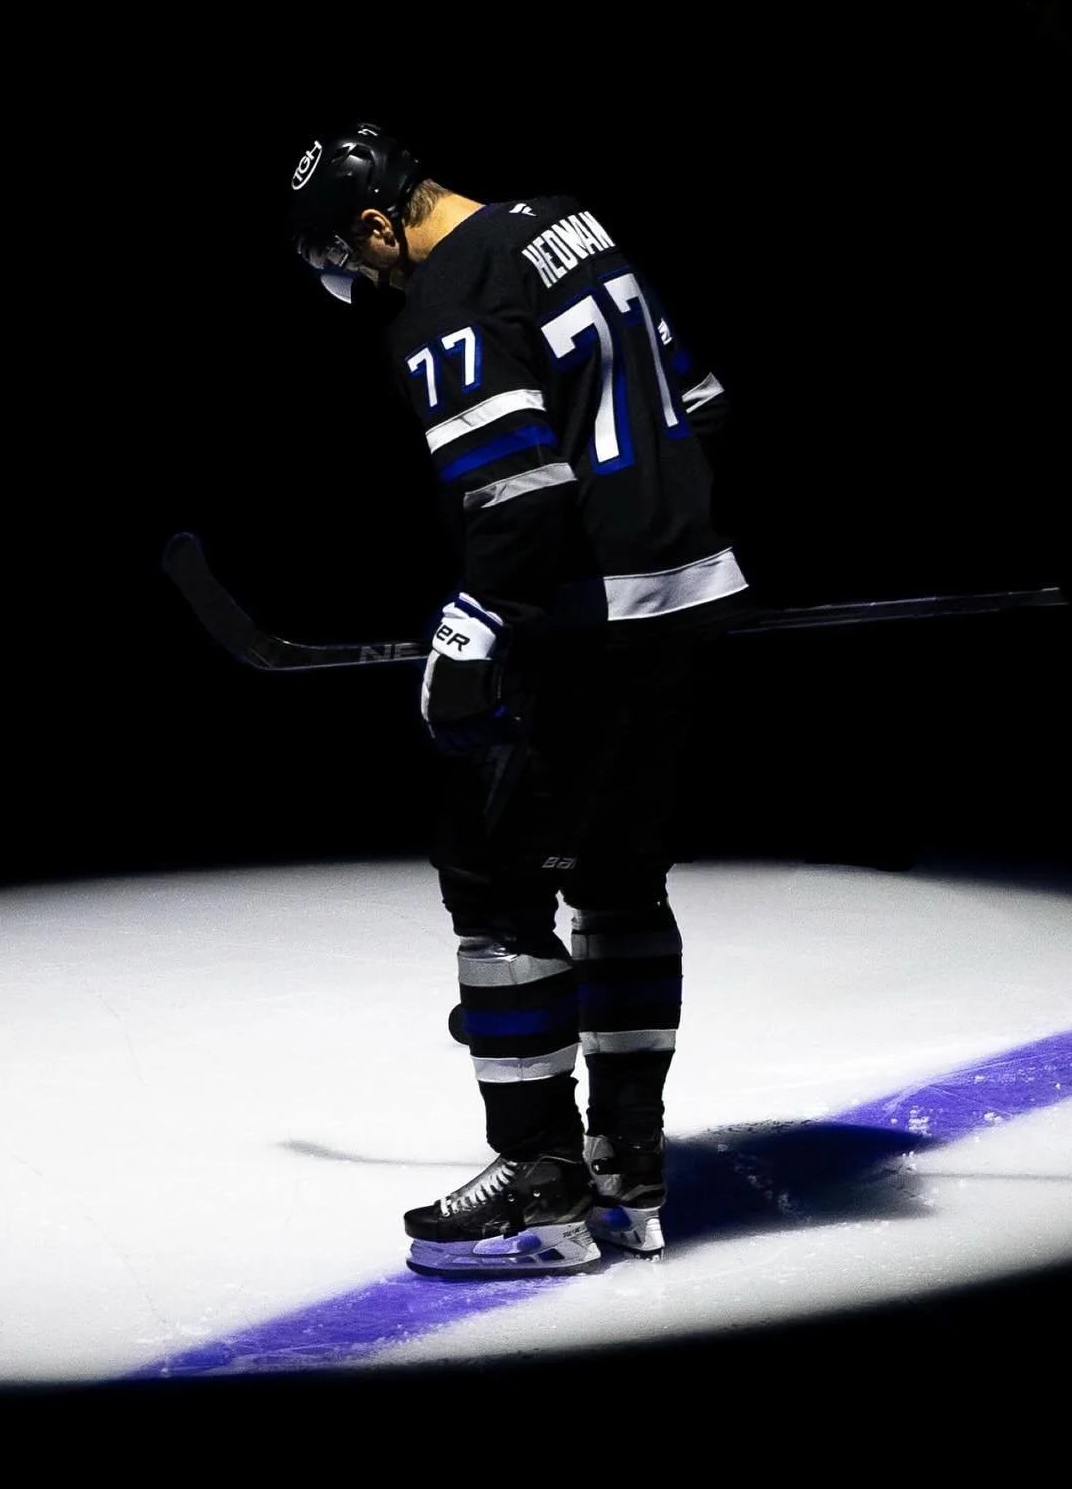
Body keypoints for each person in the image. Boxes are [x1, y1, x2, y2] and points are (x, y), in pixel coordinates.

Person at [289, 120, 755, 1277]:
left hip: (583, 628)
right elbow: (701, 401)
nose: (369, 287)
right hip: (683, 601)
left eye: (359, 264)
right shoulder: (568, 225)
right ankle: (629, 1174)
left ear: (375, 224)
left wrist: (476, 626)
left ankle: (540, 1188)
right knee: (621, 880)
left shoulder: (448, 298)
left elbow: (519, 494)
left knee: (493, 885)